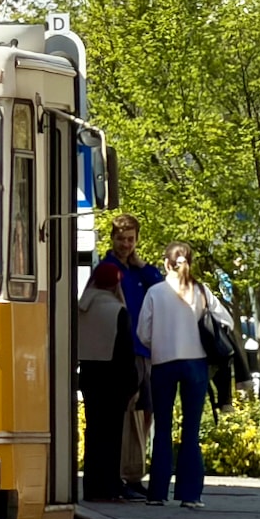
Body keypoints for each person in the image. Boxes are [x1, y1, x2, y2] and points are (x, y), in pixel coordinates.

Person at [137, 240, 230, 509]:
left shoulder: (155, 292)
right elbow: (226, 322)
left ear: (166, 263)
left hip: (163, 363)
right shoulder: (201, 291)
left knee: (162, 429)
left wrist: (159, 344)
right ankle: (190, 495)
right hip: (196, 363)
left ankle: (157, 493)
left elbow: (143, 332)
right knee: (191, 431)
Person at [104, 213, 162, 500]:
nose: (125, 244)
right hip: (123, 353)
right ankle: (123, 472)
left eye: (130, 239)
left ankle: (136, 472)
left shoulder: (140, 271)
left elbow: (161, 287)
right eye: (121, 239)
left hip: (145, 350)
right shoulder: (108, 268)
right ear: (112, 238)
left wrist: (142, 265)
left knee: (144, 414)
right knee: (126, 415)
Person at [76, 261, 139, 502]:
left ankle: (92, 487)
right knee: (112, 436)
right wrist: (133, 384)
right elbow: (125, 351)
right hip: (114, 378)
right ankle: (109, 486)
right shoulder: (117, 309)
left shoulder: (82, 306)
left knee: (93, 432)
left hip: (90, 376)